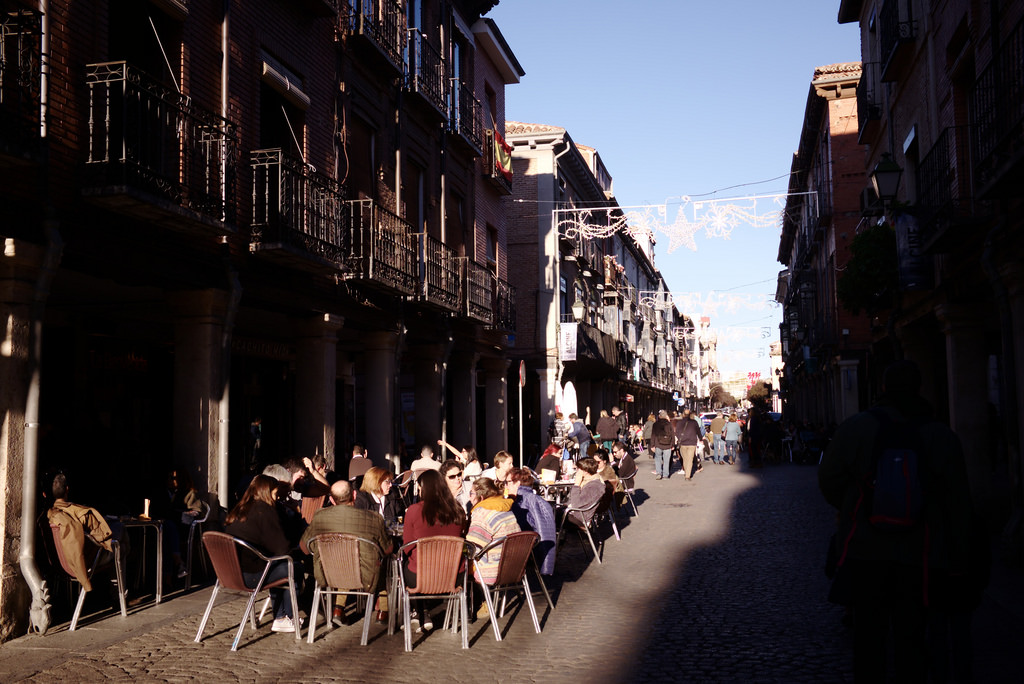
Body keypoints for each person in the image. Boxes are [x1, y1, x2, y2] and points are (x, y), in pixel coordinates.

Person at [818, 360, 974, 683]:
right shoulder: (941, 436)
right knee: (913, 637)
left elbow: (829, 479)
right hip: (921, 553)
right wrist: (958, 557)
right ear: (919, 389)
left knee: (868, 639)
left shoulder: (856, 428)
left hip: (865, 551)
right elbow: (958, 501)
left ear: (883, 388)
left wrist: (855, 508)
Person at [299, 479, 393, 627]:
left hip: (327, 575)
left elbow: (304, 548)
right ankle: (383, 610)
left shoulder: (319, 516)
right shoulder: (373, 519)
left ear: (331, 499)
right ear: (354, 495)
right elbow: (387, 549)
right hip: (365, 577)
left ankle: (338, 609)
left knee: (345, 562)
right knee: (382, 561)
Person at [224, 474, 299, 634]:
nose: (277, 498)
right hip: (251, 575)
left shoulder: (240, 509)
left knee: (277, 565)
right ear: (267, 492)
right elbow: (282, 549)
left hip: (230, 573)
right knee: (293, 567)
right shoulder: (264, 511)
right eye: (275, 494)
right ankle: (286, 617)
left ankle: (280, 616)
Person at [401, 469, 466, 633]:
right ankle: (421, 612)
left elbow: (408, 546)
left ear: (423, 488)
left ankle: (418, 611)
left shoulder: (414, 511)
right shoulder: (458, 510)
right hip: (452, 575)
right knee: (416, 564)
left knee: (407, 563)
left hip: (421, 576)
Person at [46, 471, 120, 595]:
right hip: (83, 562)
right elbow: (100, 534)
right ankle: (119, 595)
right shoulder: (79, 513)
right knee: (120, 545)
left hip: (60, 564)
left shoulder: (49, 516)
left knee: (119, 545)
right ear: (67, 489)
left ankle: (118, 594)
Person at [466, 478, 520, 589]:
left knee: (460, 567)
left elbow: (473, 547)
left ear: (480, 497)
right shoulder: (506, 509)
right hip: (514, 567)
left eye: (471, 493)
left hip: (492, 570)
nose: (469, 497)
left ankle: (478, 604)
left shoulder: (482, 513)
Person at [505, 468, 556, 576]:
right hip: (532, 545)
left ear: (517, 483)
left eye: (508, 482)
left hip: (520, 547)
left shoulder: (519, 501)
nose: (506, 486)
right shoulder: (533, 498)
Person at [564, 457, 606, 529]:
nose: (576, 471)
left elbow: (576, 504)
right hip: (575, 513)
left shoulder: (594, 486)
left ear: (585, 471)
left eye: (578, 468)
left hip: (579, 517)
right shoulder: (588, 481)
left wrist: (577, 484)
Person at [674, 408, 703, 481]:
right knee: (690, 459)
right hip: (692, 442)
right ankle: (687, 475)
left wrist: (679, 438)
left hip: (682, 443)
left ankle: (687, 473)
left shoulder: (679, 422)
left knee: (685, 458)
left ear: (683, 414)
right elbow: (698, 431)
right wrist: (701, 439)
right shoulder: (694, 422)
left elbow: (676, 432)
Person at [650, 409, 676, 480]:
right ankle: (665, 475)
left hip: (658, 444)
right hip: (668, 445)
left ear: (659, 416)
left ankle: (658, 473)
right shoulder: (669, 424)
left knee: (658, 459)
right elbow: (672, 435)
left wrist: (652, 445)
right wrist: (673, 444)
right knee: (666, 460)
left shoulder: (655, 424)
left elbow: (653, 435)